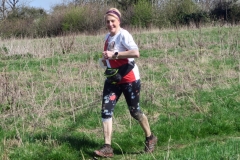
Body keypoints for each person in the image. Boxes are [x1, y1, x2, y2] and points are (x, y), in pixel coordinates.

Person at [94, 8, 157, 158]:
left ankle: (150, 137)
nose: (110, 24)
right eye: (107, 22)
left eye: (113, 21)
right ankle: (107, 147)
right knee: (106, 111)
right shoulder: (107, 38)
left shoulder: (124, 35)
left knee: (135, 111)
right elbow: (108, 57)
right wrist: (104, 61)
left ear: (118, 21)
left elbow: (136, 53)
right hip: (113, 80)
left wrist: (114, 55)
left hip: (129, 79)